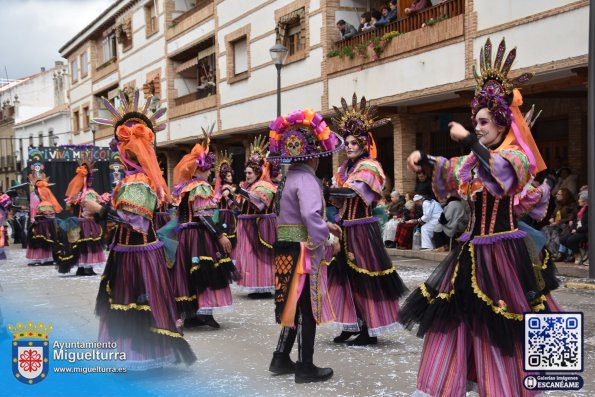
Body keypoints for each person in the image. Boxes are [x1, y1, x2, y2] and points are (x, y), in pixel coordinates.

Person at [400, 38, 561, 396]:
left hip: (503, 252)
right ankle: (466, 378)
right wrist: (424, 160)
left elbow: (503, 178)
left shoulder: (516, 156)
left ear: (502, 122)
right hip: (470, 249)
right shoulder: (475, 159)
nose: (479, 126)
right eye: (476, 121)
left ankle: (515, 384)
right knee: (461, 316)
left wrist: (470, 141)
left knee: (506, 317)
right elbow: (452, 169)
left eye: (484, 121)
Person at [87, 88, 196, 370]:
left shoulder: (138, 181)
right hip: (129, 251)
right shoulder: (132, 180)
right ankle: (134, 354)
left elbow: (133, 221)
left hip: (138, 253)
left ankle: (139, 356)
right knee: (128, 302)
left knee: (136, 303)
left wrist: (99, 210)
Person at [267, 108, 343, 383]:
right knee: (307, 307)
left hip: (287, 246)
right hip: (303, 251)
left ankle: (280, 357)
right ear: (315, 156)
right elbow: (311, 216)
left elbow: (296, 216)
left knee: (293, 305)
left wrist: (325, 225)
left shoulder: (288, 178)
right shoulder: (308, 179)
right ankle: (305, 365)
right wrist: (329, 237)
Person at [328, 94, 407, 346]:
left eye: (354, 142)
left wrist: (323, 191)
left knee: (364, 278)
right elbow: (339, 199)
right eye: (347, 142)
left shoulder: (371, 167)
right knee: (343, 278)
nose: (350, 146)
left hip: (362, 229)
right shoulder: (344, 169)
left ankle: (368, 328)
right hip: (344, 228)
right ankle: (350, 323)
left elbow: (352, 192)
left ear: (364, 143)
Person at [170, 126, 235, 329]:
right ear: (200, 169)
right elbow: (204, 215)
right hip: (199, 235)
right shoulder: (201, 186)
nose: (209, 171)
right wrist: (220, 235)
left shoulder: (185, 187)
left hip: (185, 235)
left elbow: (178, 215)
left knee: (189, 272)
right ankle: (205, 312)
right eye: (208, 167)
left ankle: (191, 314)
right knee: (206, 270)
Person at [232, 135, 277, 298]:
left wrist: (241, 192)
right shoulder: (248, 185)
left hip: (260, 225)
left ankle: (264, 286)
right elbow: (239, 206)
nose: (247, 175)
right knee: (249, 256)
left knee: (260, 256)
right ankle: (255, 285)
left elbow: (259, 202)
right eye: (246, 172)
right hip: (247, 226)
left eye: (250, 172)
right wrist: (231, 197)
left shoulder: (265, 185)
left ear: (258, 172)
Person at [64, 161, 106, 276]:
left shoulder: (75, 194)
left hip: (78, 222)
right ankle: (87, 267)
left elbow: (68, 207)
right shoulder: (90, 193)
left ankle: (81, 268)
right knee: (89, 244)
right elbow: (94, 208)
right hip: (88, 223)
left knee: (80, 244)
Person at [25, 177, 63, 266]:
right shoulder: (40, 193)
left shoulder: (35, 194)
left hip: (41, 222)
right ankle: (47, 258)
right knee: (47, 239)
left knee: (40, 239)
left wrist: (34, 218)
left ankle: (43, 258)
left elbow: (34, 209)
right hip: (46, 221)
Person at [542, 188, 577, 260]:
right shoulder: (558, 205)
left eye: (558, 194)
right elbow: (554, 214)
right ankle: (549, 251)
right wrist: (551, 218)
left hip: (565, 225)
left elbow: (570, 218)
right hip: (557, 224)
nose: (556, 195)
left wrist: (558, 222)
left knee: (554, 232)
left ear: (564, 195)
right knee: (545, 229)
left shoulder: (571, 205)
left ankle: (557, 253)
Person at [214, 150, 238, 247]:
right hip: (225, 215)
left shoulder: (225, 186)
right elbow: (225, 194)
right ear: (224, 178)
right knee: (227, 235)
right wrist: (231, 190)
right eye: (228, 176)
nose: (230, 177)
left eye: (231, 175)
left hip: (226, 214)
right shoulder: (226, 187)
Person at [559, 191, 588, 265]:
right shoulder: (581, 210)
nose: (578, 201)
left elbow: (588, 226)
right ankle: (577, 253)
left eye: (580, 199)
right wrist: (573, 228)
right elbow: (576, 221)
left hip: (585, 232)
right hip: (578, 231)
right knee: (562, 239)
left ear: (585, 201)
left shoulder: (589, 211)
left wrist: (577, 230)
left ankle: (577, 255)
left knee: (570, 240)